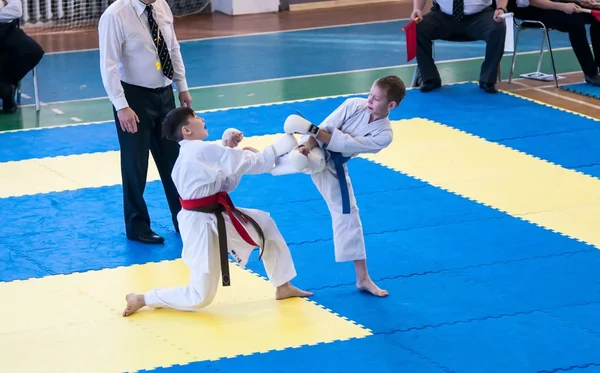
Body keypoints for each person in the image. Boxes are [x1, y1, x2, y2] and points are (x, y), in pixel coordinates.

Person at [123, 107, 312, 316]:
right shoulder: (198, 150)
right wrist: (278, 147)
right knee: (200, 295)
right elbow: (253, 163)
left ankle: (283, 285)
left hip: (214, 214)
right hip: (199, 225)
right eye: (195, 117)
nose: (201, 119)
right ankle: (142, 298)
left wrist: (229, 146)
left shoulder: (197, 151)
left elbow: (225, 183)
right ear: (186, 130)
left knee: (265, 224)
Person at [270, 75, 406, 297]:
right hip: (313, 148)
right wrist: (307, 144)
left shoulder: (384, 135)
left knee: (348, 215)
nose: (369, 100)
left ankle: (363, 279)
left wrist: (310, 130)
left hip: (332, 165)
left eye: (376, 98)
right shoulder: (354, 104)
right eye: (369, 94)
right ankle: (254, 156)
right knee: (289, 160)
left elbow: (343, 143)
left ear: (391, 105)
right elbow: (325, 128)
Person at [98, 0, 192, 244]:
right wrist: (121, 105)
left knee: (175, 161)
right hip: (133, 99)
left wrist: (182, 86)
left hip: (165, 94)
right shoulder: (115, 15)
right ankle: (137, 225)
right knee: (135, 164)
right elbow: (108, 65)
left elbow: (172, 47)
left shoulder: (161, 6)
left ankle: (184, 218)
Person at [411, 0, 508, 93]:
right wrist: (417, 9)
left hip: (480, 16)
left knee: (497, 28)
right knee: (417, 28)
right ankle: (430, 78)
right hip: (443, 17)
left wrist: (500, 8)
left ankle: (487, 80)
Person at [507, 0, 600, 86]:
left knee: (597, 14)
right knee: (575, 21)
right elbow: (534, 1)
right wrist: (563, 6)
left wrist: (580, 1)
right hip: (530, 10)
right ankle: (591, 73)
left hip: (552, 4)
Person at [0, 0, 44, 113]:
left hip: (7, 29)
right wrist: (2, 4)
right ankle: (6, 91)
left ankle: (7, 86)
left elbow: (16, 10)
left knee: (33, 51)